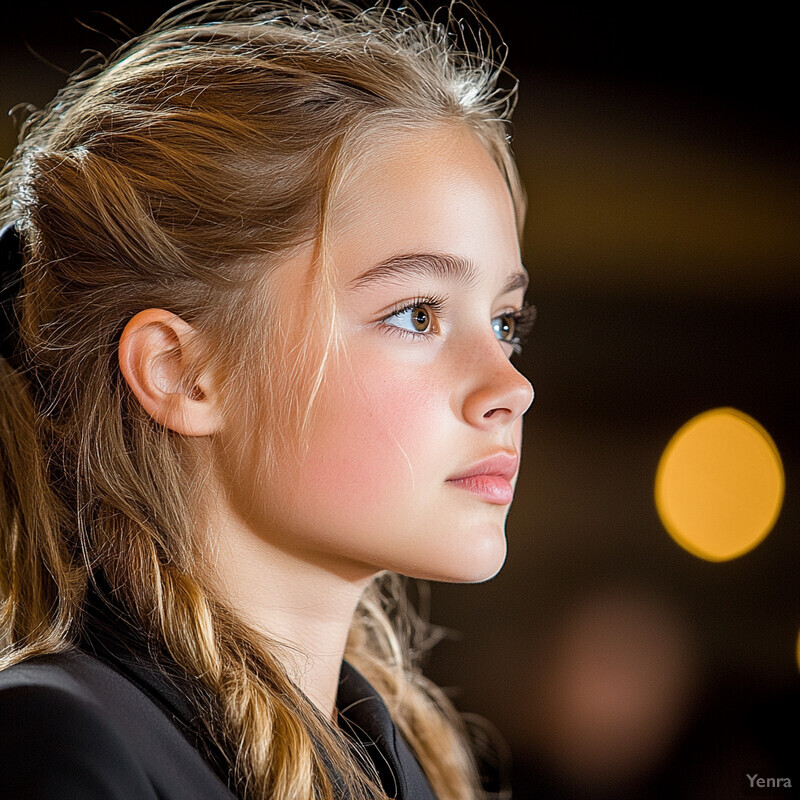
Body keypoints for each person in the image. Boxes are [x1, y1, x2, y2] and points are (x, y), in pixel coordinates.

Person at [0, 1, 535, 797]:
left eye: (504, 322)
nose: (511, 388)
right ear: (181, 371)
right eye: (416, 314)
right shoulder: (55, 748)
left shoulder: (400, 766)